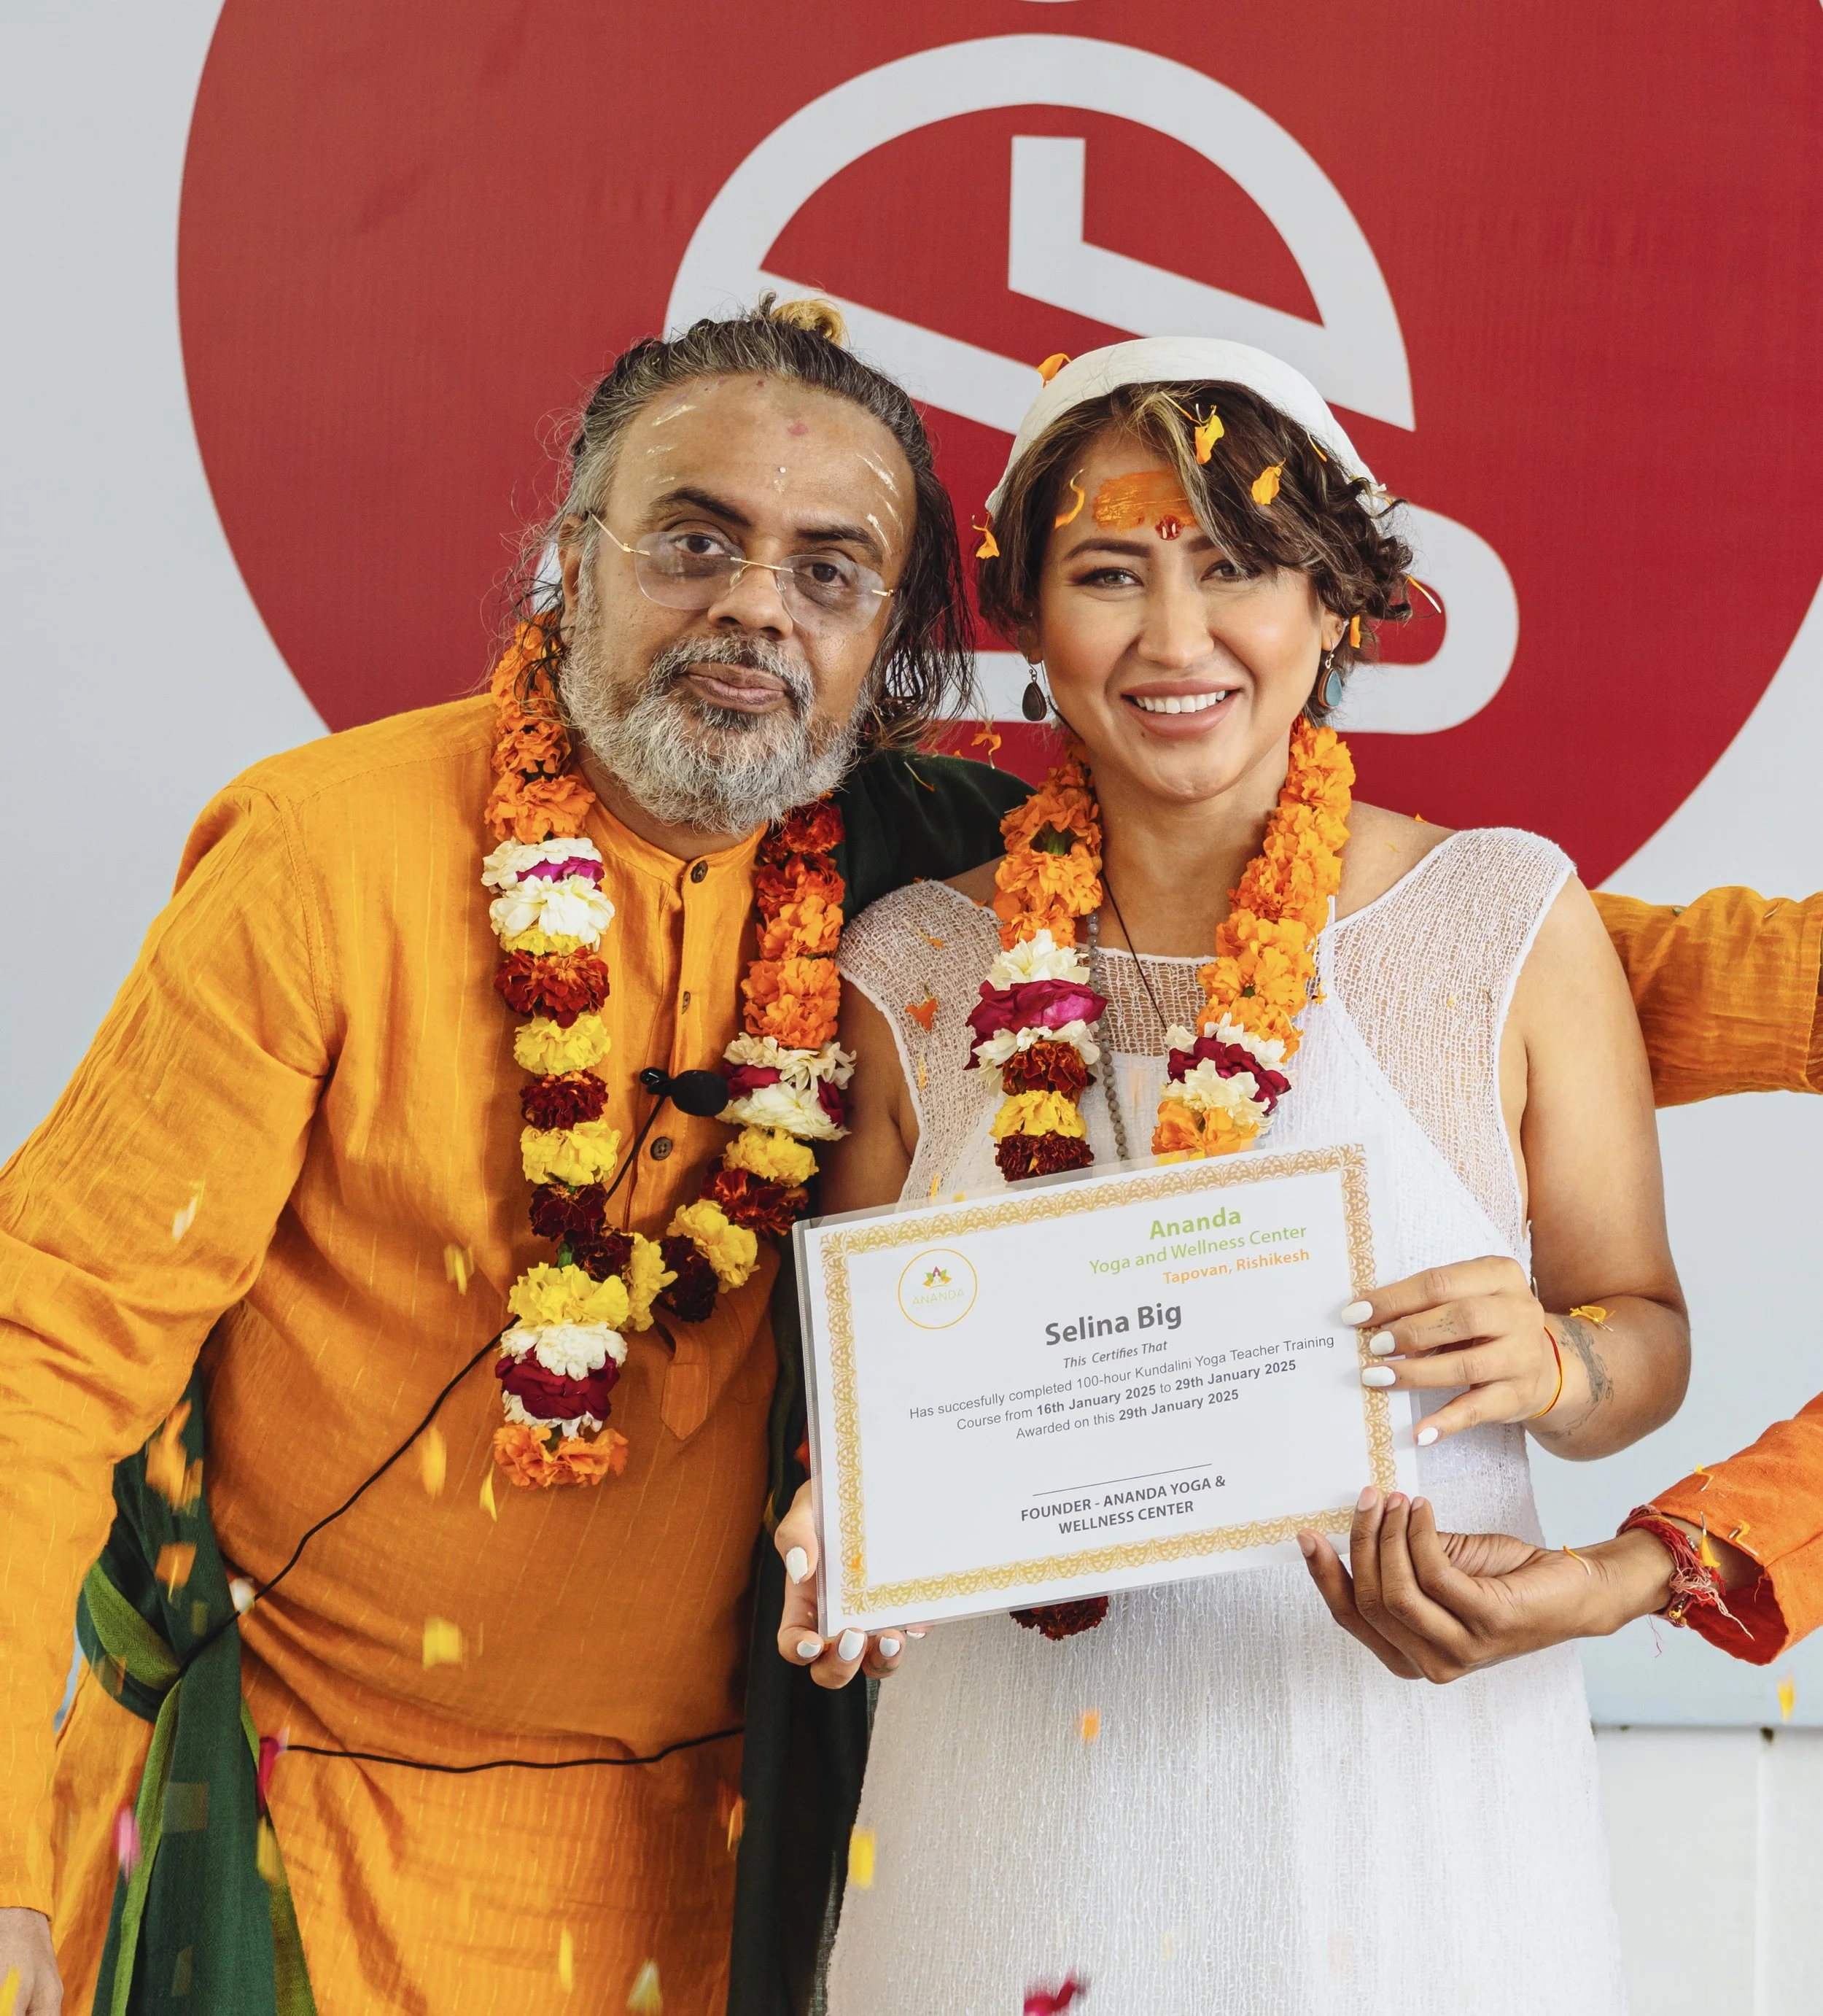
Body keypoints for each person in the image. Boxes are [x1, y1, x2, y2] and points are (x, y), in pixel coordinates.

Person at [0, 299, 1019, 2016]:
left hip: (705, 1856)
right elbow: (48, 1339)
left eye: (828, 571)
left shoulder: (950, 894)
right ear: (572, 562)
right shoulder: (324, 854)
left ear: (888, 649)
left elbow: (1401, 962)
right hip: (278, 1818)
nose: (756, 602)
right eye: (695, 539)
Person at [772, 337, 1692, 2015]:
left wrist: (1559, 1363)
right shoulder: (910, 966)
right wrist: (845, 1525)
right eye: (1107, 574)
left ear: (1334, 602)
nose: (1177, 640)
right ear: (1033, 625)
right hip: (1006, 1812)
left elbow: (1641, 1339)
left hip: (1403, 1808)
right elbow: (876, 1413)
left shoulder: (1497, 921)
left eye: (1239, 567)